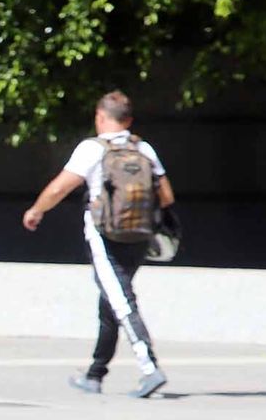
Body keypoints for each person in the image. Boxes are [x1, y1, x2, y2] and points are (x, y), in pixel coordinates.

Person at [23, 90, 177, 398]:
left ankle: (150, 369)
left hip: (105, 237)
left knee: (120, 301)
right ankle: (95, 374)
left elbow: (60, 188)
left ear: (100, 117)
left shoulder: (92, 149)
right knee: (110, 303)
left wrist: (36, 210)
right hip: (139, 236)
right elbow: (167, 196)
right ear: (129, 121)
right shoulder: (143, 148)